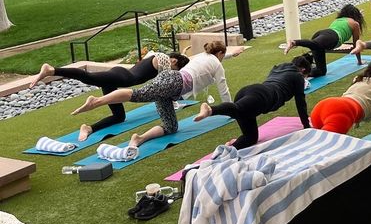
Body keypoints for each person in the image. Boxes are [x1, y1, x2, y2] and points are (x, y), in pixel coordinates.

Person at [70, 41, 233, 147]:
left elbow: (207, 66)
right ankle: (97, 101)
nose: (223, 59)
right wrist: (231, 109)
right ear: (219, 54)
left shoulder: (203, 56)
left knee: (171, 127)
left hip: (171, 90)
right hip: (174, 82)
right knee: (138, 94)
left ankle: (139, 138)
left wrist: (234, 52)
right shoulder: (217, 65)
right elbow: (223, 88)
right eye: (223, 56)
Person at [29, 52, 189, 141]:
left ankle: (88, 128)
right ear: (173, 60)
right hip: (123, 77)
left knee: (119, 116)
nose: (176, 72)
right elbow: (165, 82)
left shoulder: (159, 58)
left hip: (118, 76)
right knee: (88, 77)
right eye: (178, 68)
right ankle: (51, 70)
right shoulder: (164, 59)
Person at [192, 55, 312, 150]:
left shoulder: (277, 68)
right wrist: (307, 126)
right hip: (262, 96)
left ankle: (228, 150)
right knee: (238, 109)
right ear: (303, 70)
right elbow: (300, 102)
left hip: (248, 92)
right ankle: (210, 110)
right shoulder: (297, 76)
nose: (305, 79)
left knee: (250, 137)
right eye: (306, 76)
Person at [284, 4, 366, 77]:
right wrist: (359, 61)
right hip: (331, 36)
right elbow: (356, 45)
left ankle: (298, 72)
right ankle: (294, 42)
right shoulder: (355, 23)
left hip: (322, 34)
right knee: (314, 44)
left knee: (321, 71)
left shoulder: (338, 20)